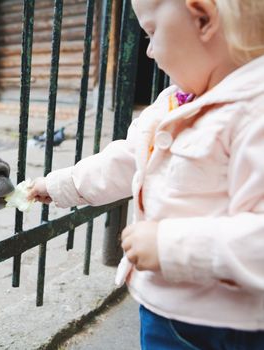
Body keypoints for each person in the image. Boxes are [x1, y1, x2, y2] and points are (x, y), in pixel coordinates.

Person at [27, 0, 264, 348]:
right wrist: (60, 184)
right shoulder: (173, 103)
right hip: (161, 308)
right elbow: (125, 158)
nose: (149, 52)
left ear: (202, 17)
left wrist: (169, 246)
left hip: (226, 325)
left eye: (151, 33)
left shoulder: (253, 113)